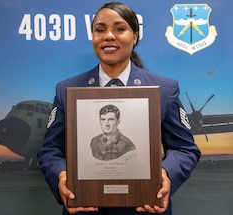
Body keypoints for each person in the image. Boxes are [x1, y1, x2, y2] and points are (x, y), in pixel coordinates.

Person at [37, 2, 201, 215]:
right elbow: (50, 150)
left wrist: (164, 174)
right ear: (93, 37)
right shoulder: (67, 90)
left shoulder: (165, 89)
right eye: (100, 30)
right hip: (84, 207)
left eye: (119, 29)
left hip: (145, 208)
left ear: (135, 36)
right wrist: (61, 175)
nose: (108, 36)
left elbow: (184, 149)